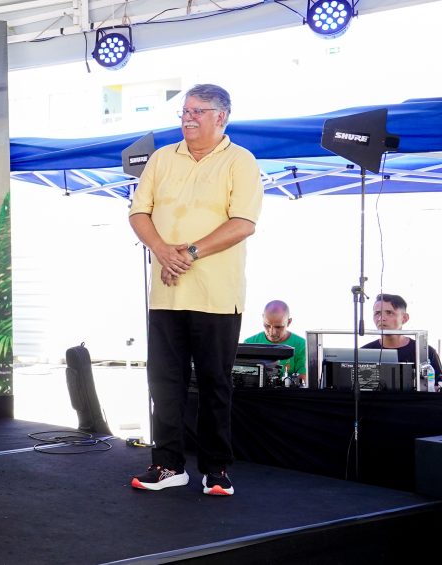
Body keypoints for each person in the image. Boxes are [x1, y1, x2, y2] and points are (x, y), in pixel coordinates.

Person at [127, 84, 263, 497]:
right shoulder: (161, 158)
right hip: (166, 293)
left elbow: (243, 222)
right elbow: (138, 212)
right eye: (184, 112)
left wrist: (187, 253)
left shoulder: (241, 160)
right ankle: (168, 464)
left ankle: (216, 469)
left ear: (221, 117)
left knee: (214, 384)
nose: (187, 118)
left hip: (216, 294)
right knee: (164, 383)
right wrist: (161, 250)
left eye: (197, 111)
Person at [361, 293, 442, 388]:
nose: (381, 318)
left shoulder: (425, 352)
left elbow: (438, 386)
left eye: (389, 312)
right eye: (377, 313)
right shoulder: (363, 352)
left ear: (404, 318)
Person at [243, 300, 307, 378]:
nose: (272, 332)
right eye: (267, 325)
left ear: (289, 322)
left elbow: (304, 379)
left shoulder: (302, 345)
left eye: (278, 327)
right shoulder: (249, 344)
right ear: (263, 318)